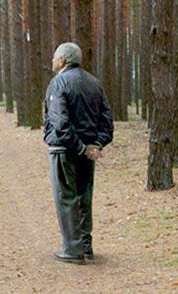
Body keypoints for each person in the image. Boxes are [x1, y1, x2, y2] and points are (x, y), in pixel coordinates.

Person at [43, 42, 114, 264]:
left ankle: (73, 250)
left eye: (55, 57)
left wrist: (79, 146)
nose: (52, 61)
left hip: (64, 150)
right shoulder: (94, 83)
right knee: (84, 197)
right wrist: (96, 145)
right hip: (87, 151)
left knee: (66, 197)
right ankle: (85, 245)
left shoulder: (59, 83)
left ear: (63, 60)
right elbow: (107, 120)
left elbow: (59, 122)